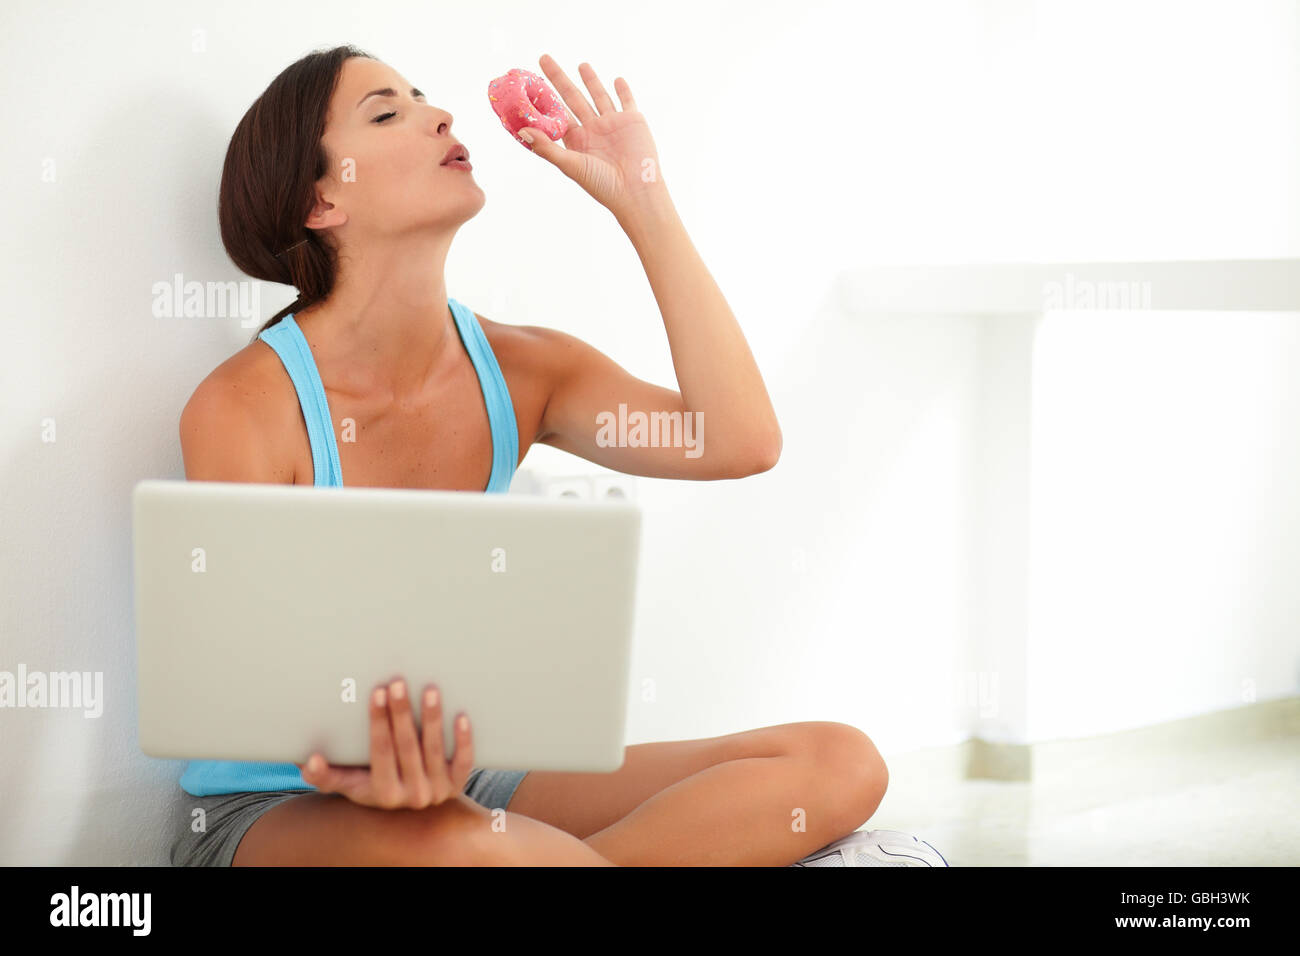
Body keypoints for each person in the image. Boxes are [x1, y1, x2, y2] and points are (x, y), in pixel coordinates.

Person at [170, 44, 933, 867]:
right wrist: (411, 792)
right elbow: (260, 682)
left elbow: (740, 440)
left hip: (471, 781)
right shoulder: (245, 405)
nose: (440, 114)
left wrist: (643, 201)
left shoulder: (524, 370)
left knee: (839, 761)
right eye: (386, 112)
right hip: (289, 806)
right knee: (482, 852)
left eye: (423, 96)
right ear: (322, 199)